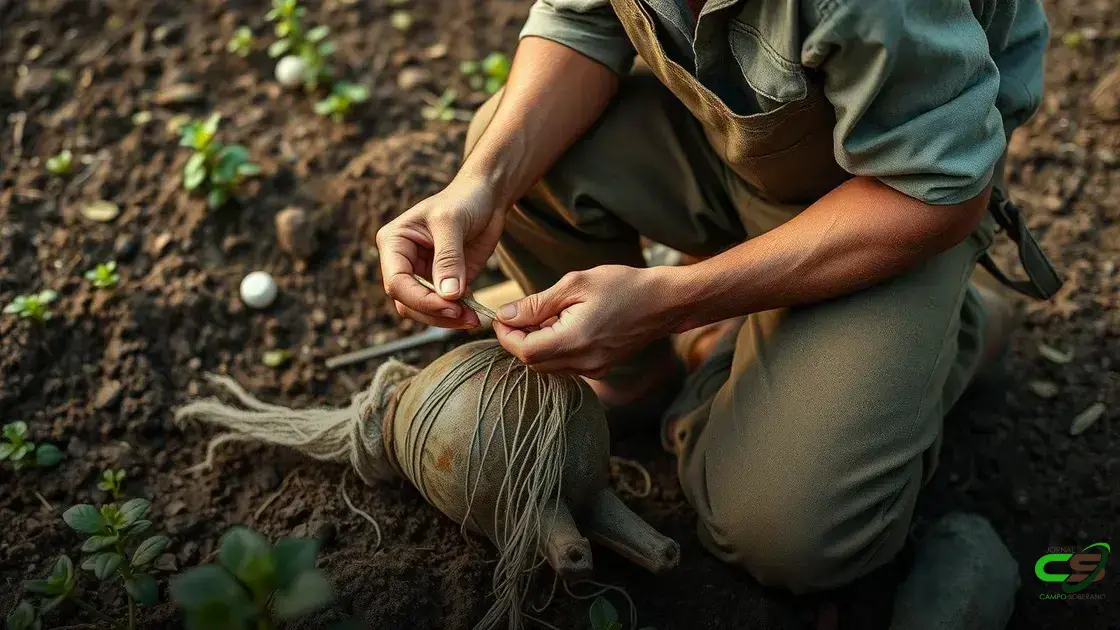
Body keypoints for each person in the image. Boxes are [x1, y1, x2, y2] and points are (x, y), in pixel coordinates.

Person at [376, 0, 1061, 596]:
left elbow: (939, 190)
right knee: (513, 152)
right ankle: (642, 377)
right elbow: (579, 23)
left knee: (792, 535)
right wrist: (481, 185)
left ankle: (954, 327)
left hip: (889, 201)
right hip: (744, 147)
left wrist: (679, 300)